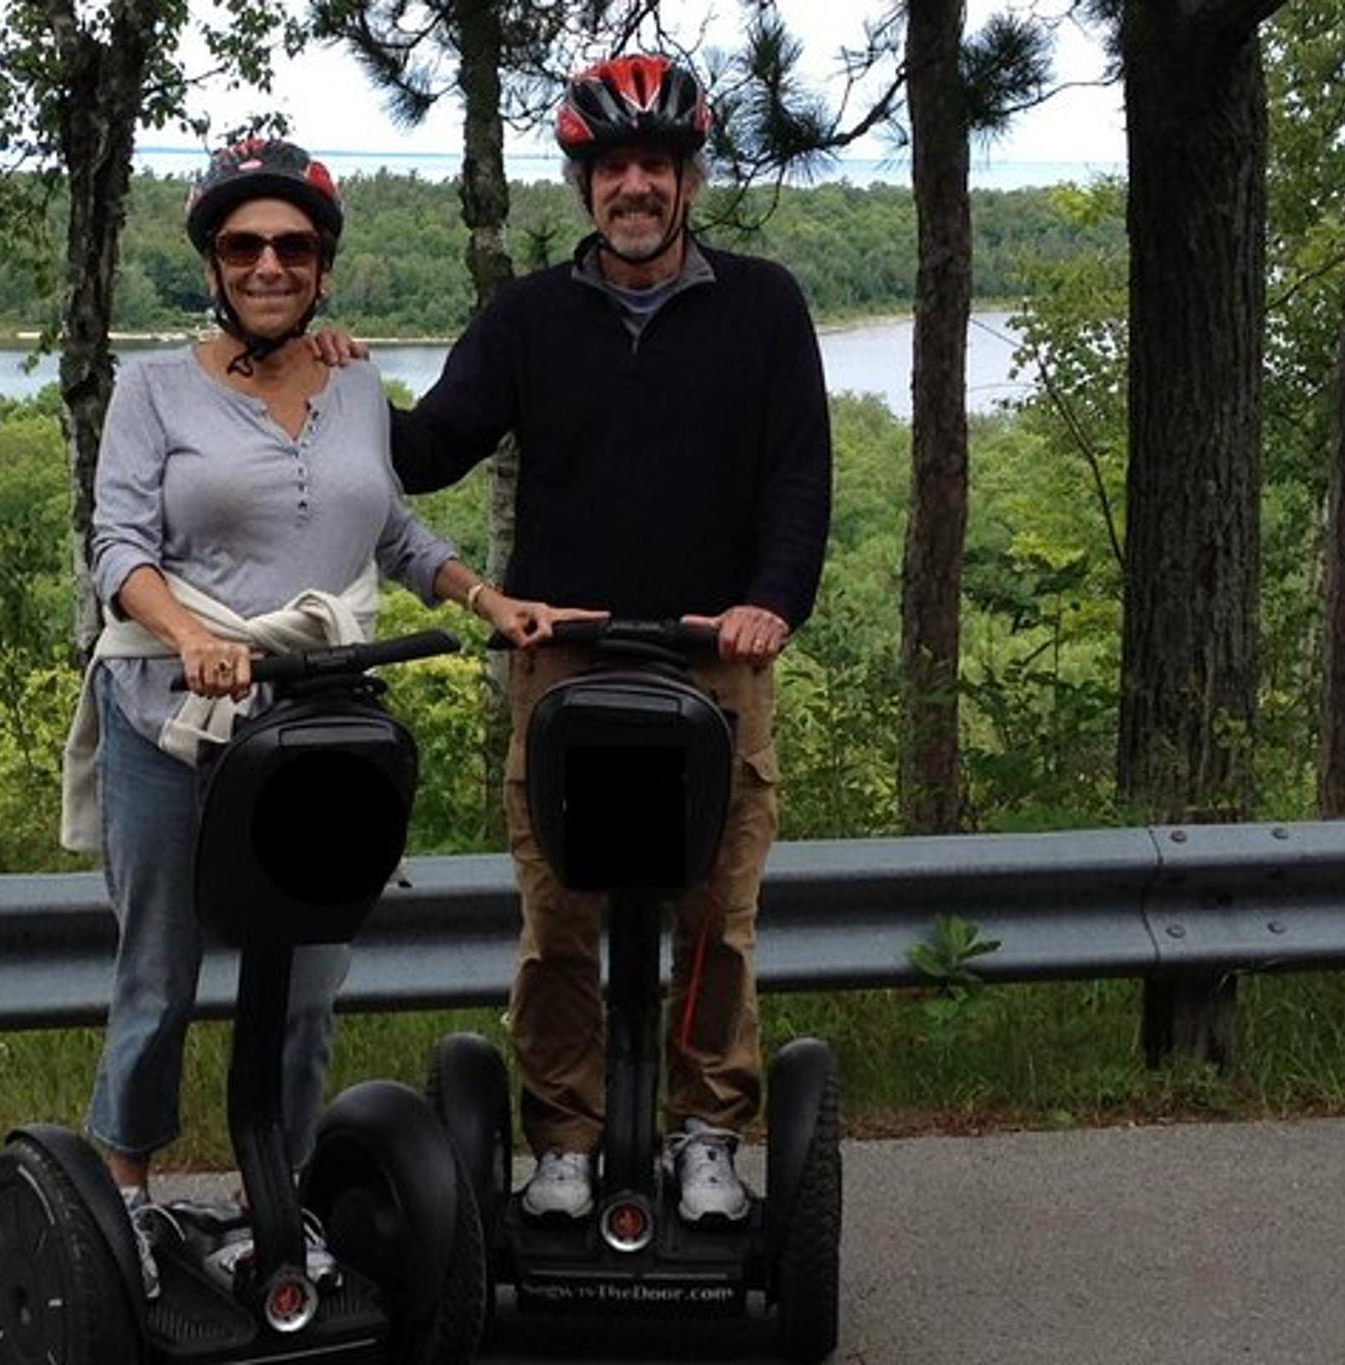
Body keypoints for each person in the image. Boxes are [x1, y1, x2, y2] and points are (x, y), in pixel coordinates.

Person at [59, 137, 581, 1298]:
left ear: (322, 269)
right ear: (212, 260)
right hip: (169, 712)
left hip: (315, 726)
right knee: (159, 971)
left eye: (292, 247)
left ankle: (273, 1201)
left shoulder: (351, 382)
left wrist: (487, 599)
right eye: (243, 245)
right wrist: (192, 639)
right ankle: (129, 1200)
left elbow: (391, 533)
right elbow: (119, 552)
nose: (268, 263)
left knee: (303, 984)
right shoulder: (152, 391)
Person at [379, 55, 833, 1226]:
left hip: (712, 657)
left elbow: (797, 476)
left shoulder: (763, 306)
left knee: (716, 918)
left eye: (656, 167)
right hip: (564, 658)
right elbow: (427, 451)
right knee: (556, 921)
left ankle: (704, 1132)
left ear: (687, 182)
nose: (634, 187)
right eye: (612, 167)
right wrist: (328, 382)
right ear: (583, 185)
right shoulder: (529, 317)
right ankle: (565, 1138)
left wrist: (772, 599)